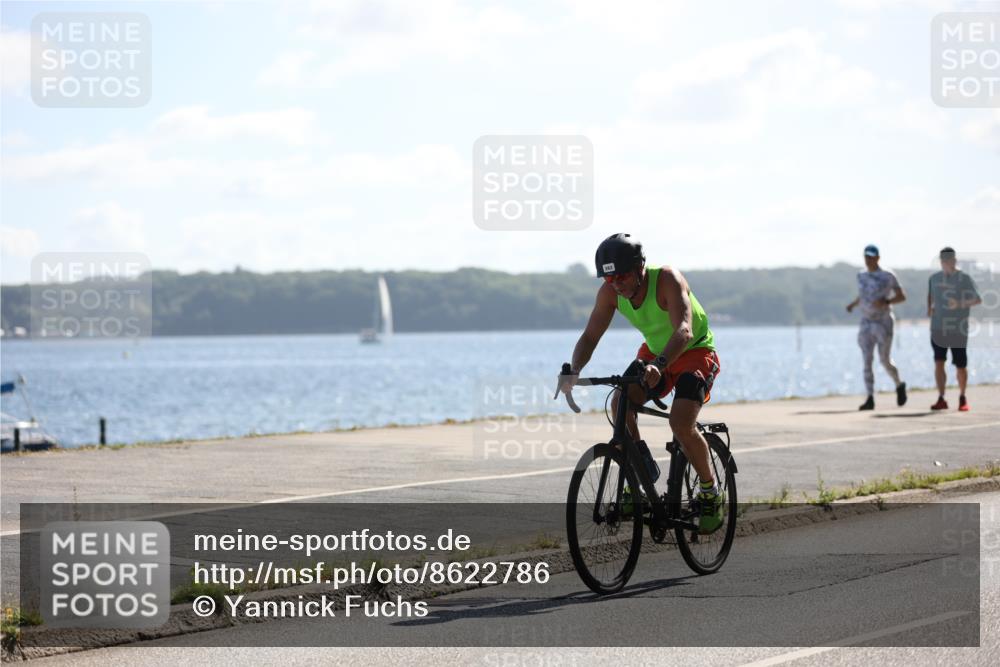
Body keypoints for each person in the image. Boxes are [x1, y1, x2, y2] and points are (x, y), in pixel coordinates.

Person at [558, 233, 723, 533]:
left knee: (680, 422)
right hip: (655, 352)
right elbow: (590, 336)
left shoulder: (667, 280)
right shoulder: (610, 294)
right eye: (609, 279)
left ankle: (710, 492)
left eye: (621, 276)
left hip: (694, 351)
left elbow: (684, 330)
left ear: (640, 268)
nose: (616, 284)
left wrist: (660, 365)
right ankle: (641, 470)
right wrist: (574, 369)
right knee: (620, 403)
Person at [845, 244, 907, 410]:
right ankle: (870, 398)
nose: (868, 259)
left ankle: (899, 384)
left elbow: (902, 296)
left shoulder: (888, 276)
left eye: (871, 256)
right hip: (866, 322)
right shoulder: (861, 275)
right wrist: (853, 305)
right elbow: (863, 295)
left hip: (883, 322)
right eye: (866, 256)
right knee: (867, 360)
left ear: (878, 257)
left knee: (884, 360)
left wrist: (886, 301)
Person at [928, 247, 982, 411]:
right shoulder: (934, 278)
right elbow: (930, 296)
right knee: (939, 362)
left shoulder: (964, 278)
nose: (946, 263)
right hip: (938, 328)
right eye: (943, 260)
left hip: (958, 328)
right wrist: (929, 309)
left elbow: (977, 299)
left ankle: (962, 397)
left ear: (954, 260)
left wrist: (959, 304)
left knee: (960, 365)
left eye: (949, 260)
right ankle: (941, 398)